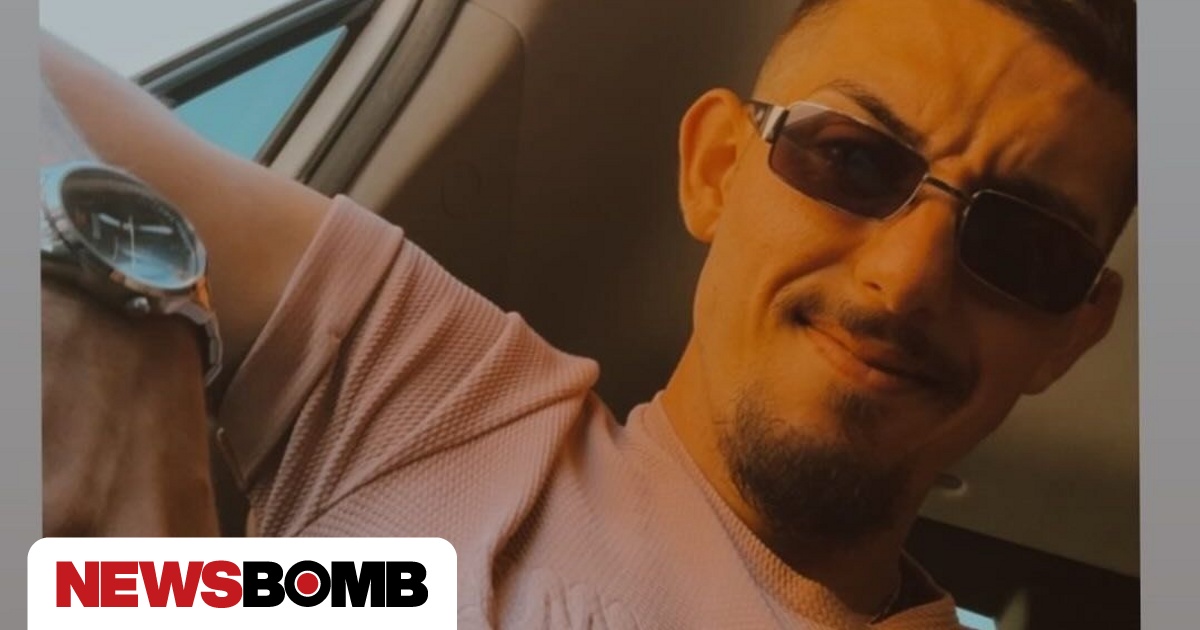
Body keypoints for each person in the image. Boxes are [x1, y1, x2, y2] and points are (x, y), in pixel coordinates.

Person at [39, 0, 1137, 626]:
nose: (908, 277)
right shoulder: (438, 396)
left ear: (1074, 332)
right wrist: (105, 300)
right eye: (851, 159)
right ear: (715, 169)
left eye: (1024, 247)